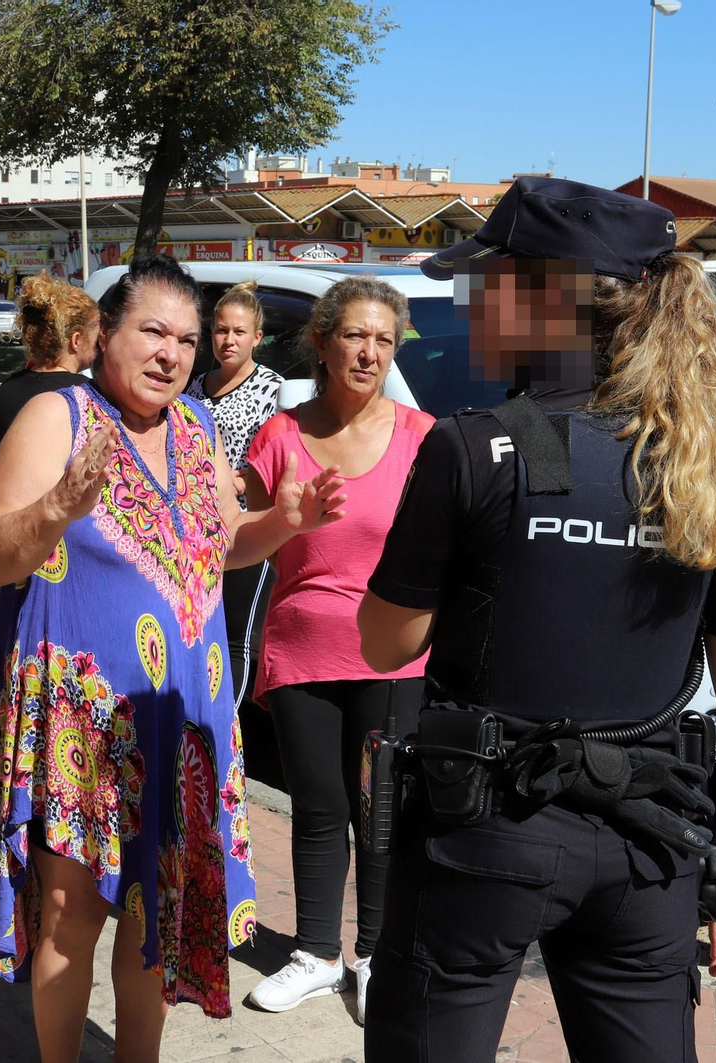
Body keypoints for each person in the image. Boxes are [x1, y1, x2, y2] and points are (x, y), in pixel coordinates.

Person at [356, 177, 716, 1061]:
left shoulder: (475, 444)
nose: (468, 299)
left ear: (543, 300)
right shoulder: (709, 464)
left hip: (484, 830)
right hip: (649, 844)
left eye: (486, 281)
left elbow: (385, 640)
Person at [0, 255, 346, 1062]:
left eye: (186, 338)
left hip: (180, 723)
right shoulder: (57, 417)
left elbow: (218, 547)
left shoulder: (198, 427)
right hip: (84, 728)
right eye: (152, 332)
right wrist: (56, 507)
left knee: (153, 919)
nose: (172, 353)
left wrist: (286, 522)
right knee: (70, 917)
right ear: (105, 334)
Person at [237, 276, 434, 1021]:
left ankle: (377, 953)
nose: (370, 351)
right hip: (301, 649)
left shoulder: (423, 437)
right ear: (321, 342)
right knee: (318, 806)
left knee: (380, 808)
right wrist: (286, 519)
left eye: (384, 339)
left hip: (394, 658)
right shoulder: (281, 434)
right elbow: (234, 544)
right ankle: (316, 953)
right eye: (355, 335)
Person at [184, 281, 284, 709]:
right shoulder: (193, 387)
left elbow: (278, 460)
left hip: (244, 527)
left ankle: (225, 730)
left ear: (257, 338)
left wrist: (237, 482)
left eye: (239, 332)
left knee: (236, 638)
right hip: (192, 528)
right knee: (194, 632)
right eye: (222, 331)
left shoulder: (273, 390)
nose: (229, 340)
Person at [0, 272, 99, 452]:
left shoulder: (9, 387)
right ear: (76, 340)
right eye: (96, 336)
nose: (101, 343)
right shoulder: (86, 394)